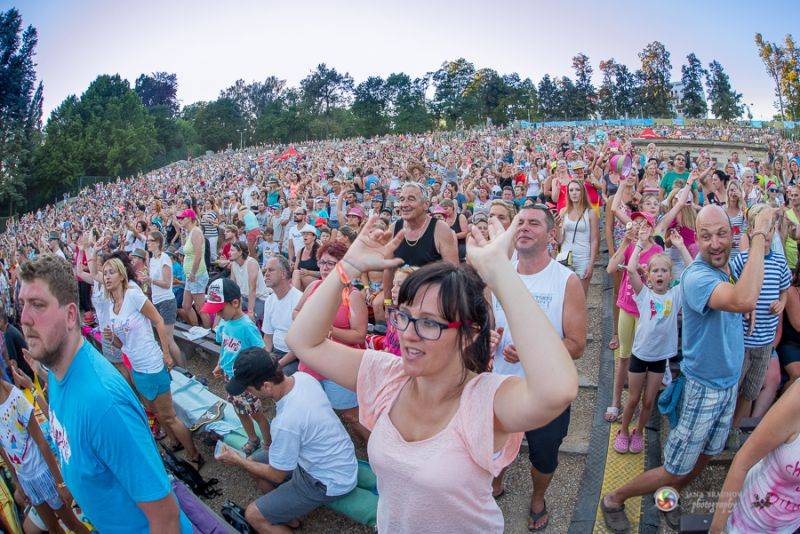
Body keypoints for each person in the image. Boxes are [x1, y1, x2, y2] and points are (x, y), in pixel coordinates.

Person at [286, 215, 578, 533]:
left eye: (429, 323)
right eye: (404, 316)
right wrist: (347, 268)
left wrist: (501, 273)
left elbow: (557, 390)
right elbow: (303, 340)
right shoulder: (386, 374)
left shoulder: (484, 400)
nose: (408, 334)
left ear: (468, 335)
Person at [601, 204, 777, 532]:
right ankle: (614, 498)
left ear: (732, 234)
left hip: (727, 385)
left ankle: (669, 496)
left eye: (722, 234)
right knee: (674, 467)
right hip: (704, 388)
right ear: (696, 237)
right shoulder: (697, 276)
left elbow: (750, 289)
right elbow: (743, 300)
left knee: (708, 453)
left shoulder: (727, 267)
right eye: (706, 236)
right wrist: (760, 233)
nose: (715, 243)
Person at [17, 254, 191, 532]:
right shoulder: (59, 374)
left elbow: (166, 518)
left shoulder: (104, 404)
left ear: (70, 315)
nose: (24, 318)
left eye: (37, 305)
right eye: (22, 304)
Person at [489, 205, 586, 531]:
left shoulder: (566, 281)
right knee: (495, 446)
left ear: (551, 234)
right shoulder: (498, 275)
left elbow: (576, 344)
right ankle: (495, 482)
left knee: (544, 456)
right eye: (520, 222)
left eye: (533, 223)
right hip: (502, 385)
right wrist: (486, 338)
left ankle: (538, 497)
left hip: (547, 392)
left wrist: (532, 352)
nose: (524, 228)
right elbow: (486, 325)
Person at [217, 347, 359, 533]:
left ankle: (277, 513)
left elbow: (277, 475)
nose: (248, 393)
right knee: (254, 462)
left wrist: (238, 460)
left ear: (266, 386)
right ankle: (287, 514)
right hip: (340, 458)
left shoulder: (285, 423)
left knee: (253, 515)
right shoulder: (303, 378)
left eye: (249, 389)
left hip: (327, 480)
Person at [102, 256, 202, 468]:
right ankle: (174, 442)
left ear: (121, 275)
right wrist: (111, 337)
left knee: (169, 415)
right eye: (104, 273)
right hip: (136, 366)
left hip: (152, 363)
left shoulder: (133, 295)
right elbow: (122, 343)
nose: (107, 277)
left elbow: (158, 320)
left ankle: (194, 455)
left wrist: (166, 353)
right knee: (155, 412)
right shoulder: (112, 306)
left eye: (111, 272)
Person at [614, 231, 689, 455]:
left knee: (648, 402)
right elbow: (631, 268)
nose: (660, 274)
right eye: (655, 270)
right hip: (640, 355)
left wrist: (681, 246)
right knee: (633, 399)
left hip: (659, 358)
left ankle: (638, 432)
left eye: (664, 271)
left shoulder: (675, 295)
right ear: (648, 276)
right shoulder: (644, 294)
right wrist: (639, 243)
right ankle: (623, 431)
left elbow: (693, 272)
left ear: (670, 275)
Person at [727, 203, 791, 451]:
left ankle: (735, 428)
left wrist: (781, 304)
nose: (765, 235)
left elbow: (784, 291)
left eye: (770, 229)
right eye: (760, 230)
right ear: (751, 231)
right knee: (733, 386)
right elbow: (729, 284)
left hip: (764, 342)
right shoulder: (742, 259)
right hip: (742, 340)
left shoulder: (780, 263)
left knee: (751, 390)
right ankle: (723, 427)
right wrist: (745, 302)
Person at [292, 241, 369, 443]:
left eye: (331, 263)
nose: (325, 268)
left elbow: (359, 335)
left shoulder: (353, 296)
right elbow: (296, 312)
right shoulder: (313, 286)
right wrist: (308, 322)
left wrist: (328, 330)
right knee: (312, 410)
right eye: (322, 262)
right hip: (310, 362)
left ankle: (375, 450)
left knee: (351, 415)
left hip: (338, 364)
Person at [710, 378, 800, 533]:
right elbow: (742, 461)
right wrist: (716, 529)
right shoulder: (796, 400)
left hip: (789, 527)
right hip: (746, 522)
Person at [604, 212, 664, 423]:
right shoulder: (629, 246)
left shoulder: (657, 251)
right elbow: (610, 268)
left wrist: (643, 273)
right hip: (626, 307)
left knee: (641, 360)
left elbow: (660, 283)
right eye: (636, 223)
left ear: (651, 228)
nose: (639, 227)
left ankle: (635, 404)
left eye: (644, 224)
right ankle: (615, 401)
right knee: (623, 357)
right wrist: (625, 243)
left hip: (645, 312)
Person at [203, 278, 272, 456]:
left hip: (245, 381)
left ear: (235, 303)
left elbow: (261, 352)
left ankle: (268, 443)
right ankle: (253, 439)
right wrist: (220, 363)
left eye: (220, 310)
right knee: (240, 411)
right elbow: (225, 346)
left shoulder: (247, 326)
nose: (217, 314)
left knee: (256, 414)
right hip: (230, 378)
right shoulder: (224, 323)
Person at [383, 182, 459, 293]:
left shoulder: (440, 229)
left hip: (431, 296)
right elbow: (388, 270)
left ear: (426, 205)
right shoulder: (394, 228)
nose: (404, 204)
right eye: (402, 199)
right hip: (401, 296)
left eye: (411, 199)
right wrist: (388, 301)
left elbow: (453, 273)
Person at [146, 231, 184, 367]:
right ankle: (173, 366)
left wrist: (150, 280)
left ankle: (183, 368)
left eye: (150, 240)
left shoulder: (164, 258)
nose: (147, 243)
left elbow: (167, 284)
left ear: (157, 243)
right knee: (164, 337)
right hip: (157, 301)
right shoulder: (153, 260)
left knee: (168, 339)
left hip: (167, 301)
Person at [261, 255, 303, 375]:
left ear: (283, 274)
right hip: (276, 352)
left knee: (274, 379)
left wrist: (277, 365)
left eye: (271, 270)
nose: (266, 274)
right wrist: (266, 359)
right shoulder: (270, 300)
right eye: (265, 270)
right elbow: (268, 337)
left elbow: (300, 346)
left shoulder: (299, 300)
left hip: (296, 357)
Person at [558, 179, 599, 295]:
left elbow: (594, 240)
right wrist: (557, 226)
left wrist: (591, 263)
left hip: (583, 257)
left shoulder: (590, 213)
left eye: (577, 190)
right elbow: (560, 240)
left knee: (581, 295)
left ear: (582, 192)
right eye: (571, 190)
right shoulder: (563, 211)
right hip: (565, 256)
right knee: (565, 294)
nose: (574, 193)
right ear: (568, 193)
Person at [177, 209, 210, 328]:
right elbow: (186, 251)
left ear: (190, 219)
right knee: (186, 305)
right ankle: (196, 328)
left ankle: (208, 331)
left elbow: (198, 255)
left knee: (200, 307)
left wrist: (193, 273)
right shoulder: (190, 232)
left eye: (183, 218)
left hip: (197, 274)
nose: (180, 220)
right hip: (191, 275)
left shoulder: (196, 232)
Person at [229, 242, 271, 325]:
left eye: (232, 250)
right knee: (226, 311)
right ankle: (216, 329)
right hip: (243, 298)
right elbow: (232, 286)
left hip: (259, 299)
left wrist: (250, 311)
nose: (229, 252)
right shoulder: (234, 263)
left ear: (240, 252)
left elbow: (252, 289)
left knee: (249, 322)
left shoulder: (251, 263)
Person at [290, 225, 320, 291]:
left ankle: (294, 296)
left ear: (314, 237)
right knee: (296, 273)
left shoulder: (319, 251)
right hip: (302, 280)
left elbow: (323, 273)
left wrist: (308, 272)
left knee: (298, 275)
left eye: (308, 234)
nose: (305, 236)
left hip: (317, 281)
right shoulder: (300, 251)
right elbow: (295, 270)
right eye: (303, 234)